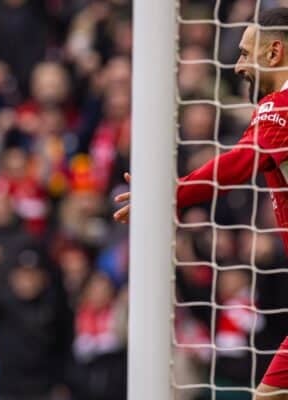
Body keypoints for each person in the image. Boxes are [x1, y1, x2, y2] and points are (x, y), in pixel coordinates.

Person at [114, 8, 288, 400]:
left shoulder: (283, 106)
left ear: (274, 53)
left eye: (245, 53)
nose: (238, 64)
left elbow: (238, 163)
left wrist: (164, 196)